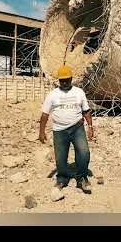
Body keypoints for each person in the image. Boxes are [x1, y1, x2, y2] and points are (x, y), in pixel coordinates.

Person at [39, 65, 94, 194]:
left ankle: (82, 178)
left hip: (77, 128)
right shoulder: (52, 95)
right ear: (58, 80)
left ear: (71, 79)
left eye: (67, 80)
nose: (64, 82)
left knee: (84, 152)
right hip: (59, 131)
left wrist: (90, 127)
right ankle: (62, 178)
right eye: (62, 80)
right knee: (60, 158)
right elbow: (44, 115)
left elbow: (86, 111)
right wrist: (41, 132)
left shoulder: (79, 92)